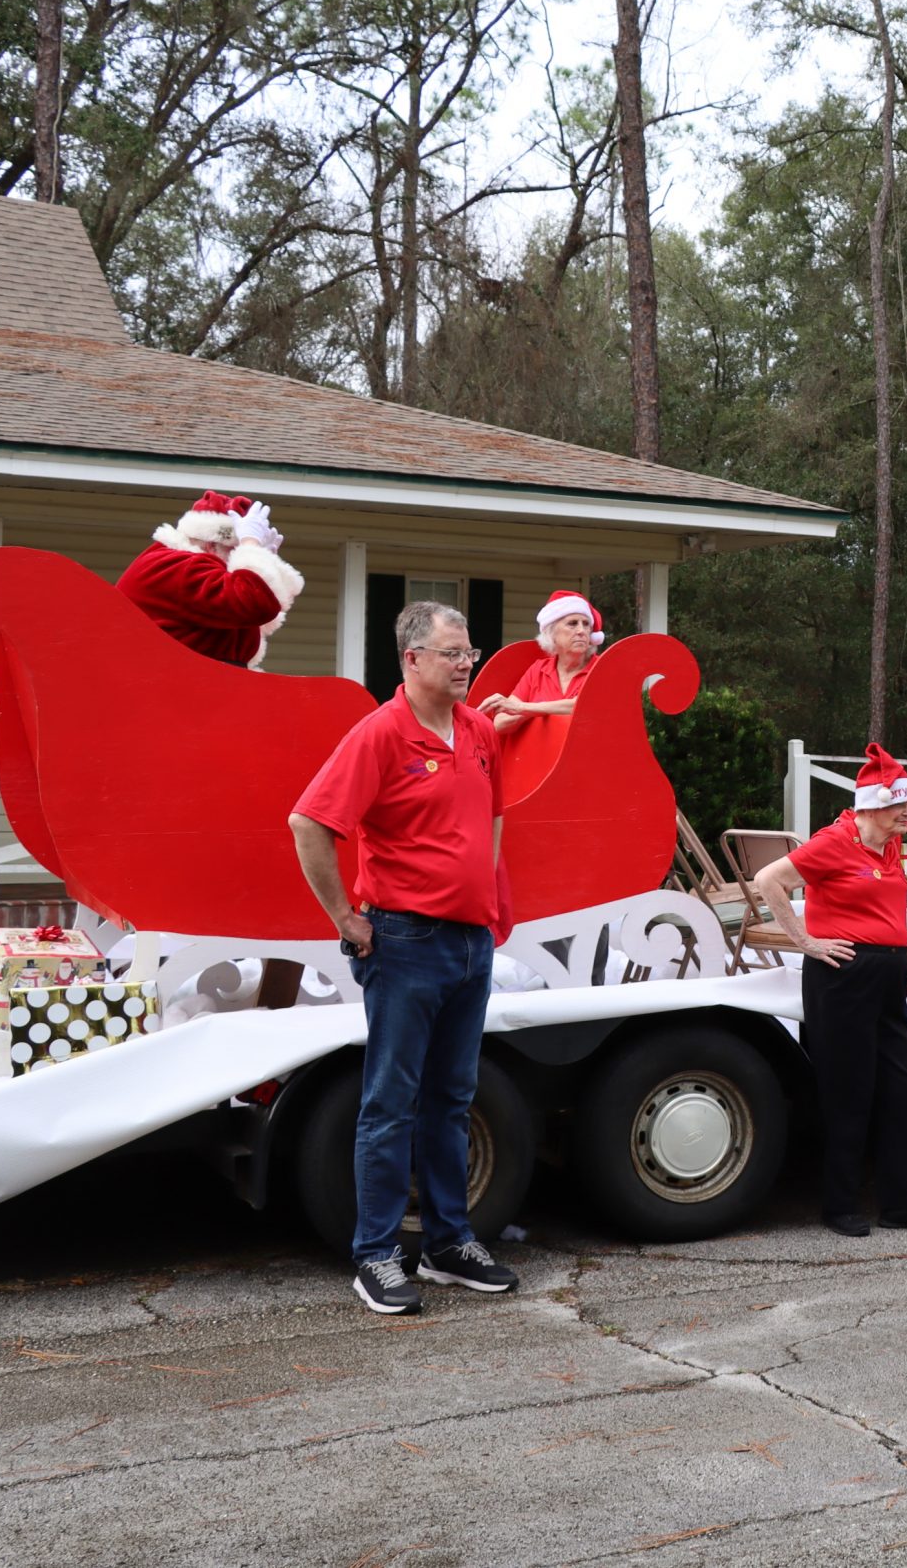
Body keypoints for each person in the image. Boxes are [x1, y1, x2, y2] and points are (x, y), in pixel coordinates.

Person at [287, 602, 518, 1315]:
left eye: (469, 650)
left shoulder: (478, 728)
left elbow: (494, 813)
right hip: (406, 942)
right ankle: (377, 1256)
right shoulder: (380, 735)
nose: (466, 661)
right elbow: (308, 823)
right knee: (390, 1105)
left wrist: (488, 893)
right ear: (411, 659)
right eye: (451, 651)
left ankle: (449, 1243)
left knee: (451, 1099)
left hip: (470, 942)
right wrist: (346, 920)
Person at [751, 744, 907, 1239]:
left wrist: (904, 958)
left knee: (901, 1091)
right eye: (899, 806)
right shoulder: (833, 842)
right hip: (841, 978)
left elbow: (896, 910)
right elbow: (767, 881)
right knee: (849, 1092)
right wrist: (805, 942)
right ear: (870, 806)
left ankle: (901, 1204)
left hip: (886, 978)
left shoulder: (890, 847)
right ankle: (839, 1204)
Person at [120, 487, 308, 1009]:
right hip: (179, 744)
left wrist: (257, 557)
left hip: (195, 733)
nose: (233, 565)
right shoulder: (168, 568)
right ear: (212, 542)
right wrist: (254, 552)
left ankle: (285, 937)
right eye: (231, 552)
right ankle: (287, 908)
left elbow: (248, 623)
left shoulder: (176, 571)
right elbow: (249, 601)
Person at [117, 488, 304, 669]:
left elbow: (255, 617)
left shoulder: (180, 563)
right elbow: (252, 603)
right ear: (211, 544)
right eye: (235, 550)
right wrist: (250, 545)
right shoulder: (177, 565)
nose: (238, 560)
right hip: (172, 685)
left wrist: (264, 559)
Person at [481, 589, 603, 800]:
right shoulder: (538, 670)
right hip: (533, 780)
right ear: (552, 632)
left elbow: (583, 706)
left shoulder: (601, 669)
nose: (582, 630)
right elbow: (500, 723)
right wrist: (528, 712)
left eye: (586, 624)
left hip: (584, 782)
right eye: (572, 624)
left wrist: (527, 707)